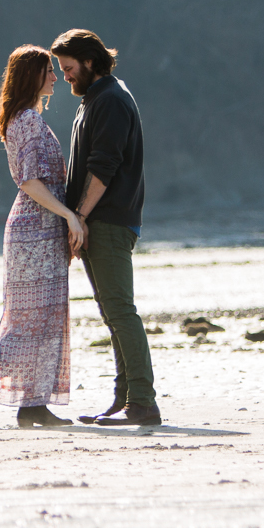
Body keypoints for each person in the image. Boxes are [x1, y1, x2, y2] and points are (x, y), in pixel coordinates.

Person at [0, 45, 83, 428]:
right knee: (30, 320)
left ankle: (33, 404)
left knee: (45, 319)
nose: (56, 78)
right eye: (48, 71)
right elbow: (28, 181)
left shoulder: (28, 118)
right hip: (33, 231)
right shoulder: (26, 120)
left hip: (43, 231)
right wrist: (69, 216)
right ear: (32, 76)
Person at [52, 28, 160, 427]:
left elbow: (104, 166)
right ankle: (124, 397)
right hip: (100, 221)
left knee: (120, 311)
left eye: (68, 68)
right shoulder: (98, 98)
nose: (65, 76)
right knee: (112, 313)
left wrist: (78, 216)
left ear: (90, 62)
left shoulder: (112, 100)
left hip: (109, 221)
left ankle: (143, 402)